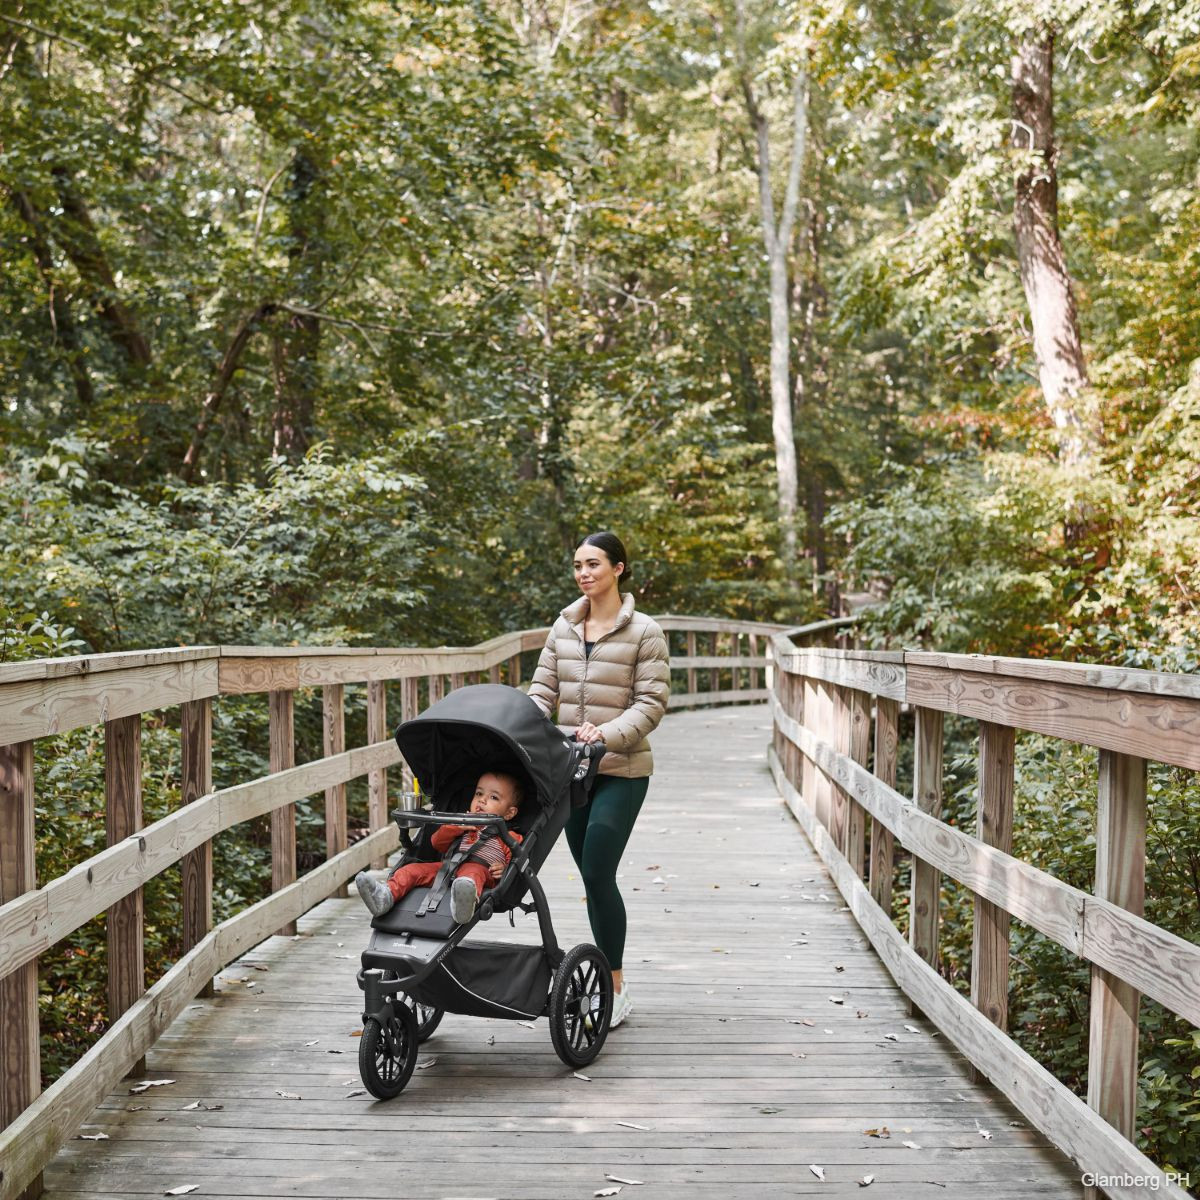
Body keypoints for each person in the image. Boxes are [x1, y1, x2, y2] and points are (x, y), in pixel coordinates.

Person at [527, 531, 670, 1028]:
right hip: (571, 772)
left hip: (621, 769)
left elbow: (651, 703)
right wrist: (524, 724)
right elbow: (543, 691)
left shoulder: (644, 632)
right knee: (592, 878)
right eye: (577, 565)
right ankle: (608, 982)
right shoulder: (563, 628)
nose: (584, 573)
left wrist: (604, 735)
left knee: (595, 871)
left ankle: (615, 986)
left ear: (619, 569)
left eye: (593, 564)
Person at [355, 771, 524, 925]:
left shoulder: (509, 836)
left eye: (494, 797)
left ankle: (462, 907)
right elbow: (437, 843)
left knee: (472, 873)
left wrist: (504, 869)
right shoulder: (461, 824)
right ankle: (385, 896)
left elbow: (515, 862)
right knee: (411, 870)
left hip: (480, 872)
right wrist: (457, 826)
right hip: (447, 868)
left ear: (509, 813)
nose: (482, 800)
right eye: (479, 793)